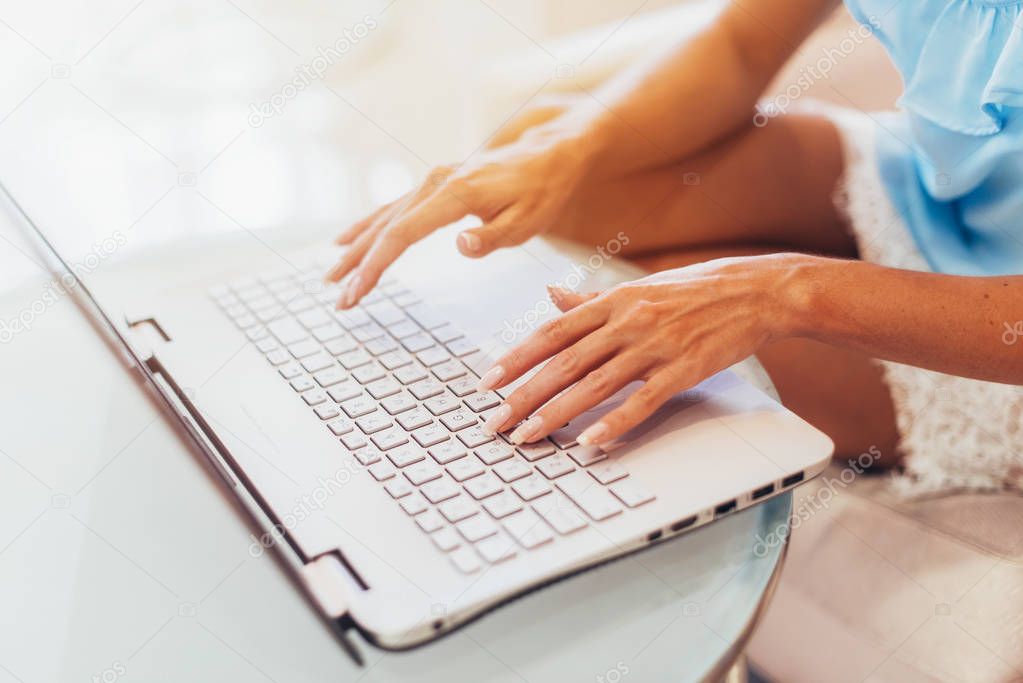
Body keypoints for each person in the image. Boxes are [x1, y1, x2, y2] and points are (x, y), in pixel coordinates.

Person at [327, 0, 1023, 494]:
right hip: (944, 192)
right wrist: (562, 148)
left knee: (649, 340)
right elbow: (741, 43)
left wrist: (777, 290)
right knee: (554, 156)